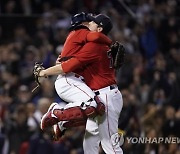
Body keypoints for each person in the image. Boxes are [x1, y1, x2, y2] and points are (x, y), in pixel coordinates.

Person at [36, 14, 123, 154]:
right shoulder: (101, 45)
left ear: (99, 28)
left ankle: (58, 115)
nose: (89, 24)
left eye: (93, 22)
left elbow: (68, 66)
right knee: (89, 145)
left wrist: (45, 72)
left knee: (110, 146)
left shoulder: (94, 46)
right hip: (104, 95)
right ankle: (61, 120)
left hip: (106, 96)